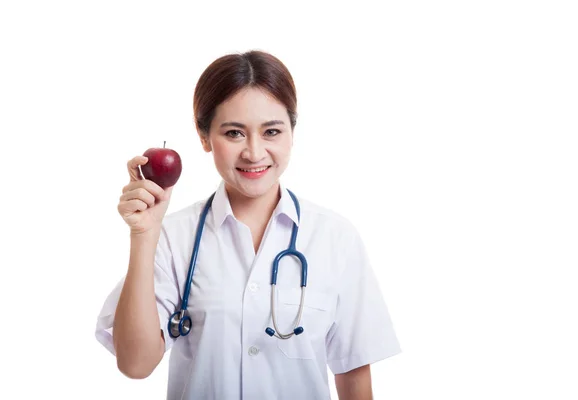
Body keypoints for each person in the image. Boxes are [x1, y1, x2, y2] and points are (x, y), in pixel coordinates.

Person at [95, 49, 401, 400]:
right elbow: (135, 365)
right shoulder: (173, 238)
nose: (254, 152)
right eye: (234, 133)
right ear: (204, 135)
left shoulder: (335, 239)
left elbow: (354, 377)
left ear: (291, 132)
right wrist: (144, 235)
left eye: (271, 131)